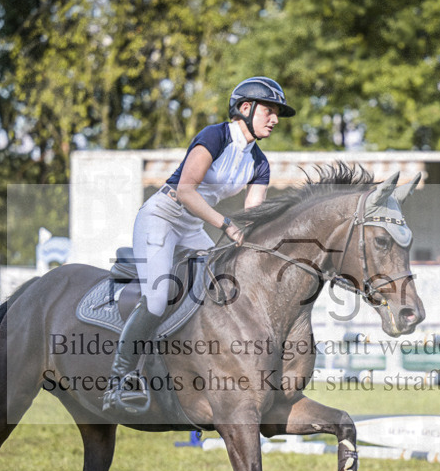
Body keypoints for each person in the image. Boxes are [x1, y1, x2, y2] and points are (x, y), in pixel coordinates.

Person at [103, 76, 296, 413]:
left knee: (220, 290)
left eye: (277, 112)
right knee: (158, 298)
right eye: (270, 110)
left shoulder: (259, 162)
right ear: (245, 108)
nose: (275, 119)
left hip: (192, 225)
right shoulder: (214, 136)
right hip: (162, 216)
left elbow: (252, 216)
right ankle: (119, 378)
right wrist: (225, 224)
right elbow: (185, 191)